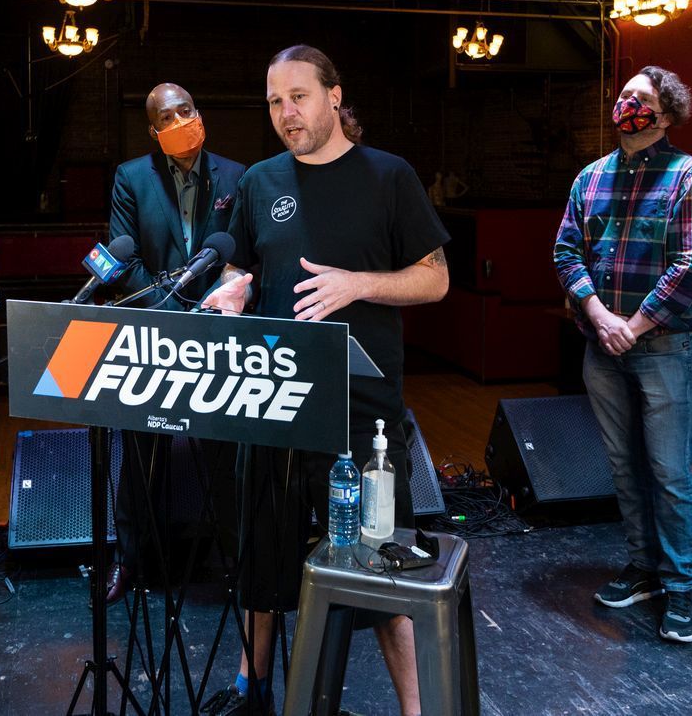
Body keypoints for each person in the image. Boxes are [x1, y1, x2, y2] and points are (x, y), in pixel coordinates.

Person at [201, 45, 449, 716]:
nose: (287, 112)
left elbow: (436, 277)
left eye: (299, 96)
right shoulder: (259, 183)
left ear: (334, 96)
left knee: (381, 573)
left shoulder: (388, 176)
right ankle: (253, 685)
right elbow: (239, 269)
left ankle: (414, 708)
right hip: (272, 403)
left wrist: (358, 285)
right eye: (275, 100)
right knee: (261, 564)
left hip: (361, 418)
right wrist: (231, 294)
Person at [553, 67, 692, 644]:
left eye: (641, 99)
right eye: (623, 95)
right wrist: (599, 315)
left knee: (670, 471)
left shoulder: (690, 179)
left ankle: (679, 588)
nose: (627, 104)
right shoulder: (590, 178)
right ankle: (645, 568)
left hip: (664, 346)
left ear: (666, 115)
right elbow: (566, 251)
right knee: (624, 467)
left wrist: (635, 324)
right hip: (603, 344)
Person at [106, 83, 245, 602]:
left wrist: (208, 308)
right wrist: (172, 313)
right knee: (141, 454)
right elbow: (124, 259)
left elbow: (238, 251)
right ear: (154, 129)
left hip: (217, 331)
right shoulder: (131, 177)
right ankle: (130, 560)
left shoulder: (236, 176)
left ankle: (235, 557)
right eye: (169, 116)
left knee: (222, 453)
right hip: (151, 332)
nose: (182, 119)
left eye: (188, 109)